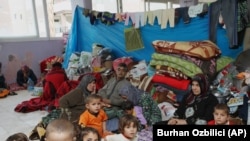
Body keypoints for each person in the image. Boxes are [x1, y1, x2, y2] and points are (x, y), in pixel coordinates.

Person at [98, 63, 131, 131]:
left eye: (123, 70)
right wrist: (104, 99)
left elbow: (124, 101)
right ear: (116, 70)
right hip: (103, 103)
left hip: (114, 108)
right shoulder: (111, 80)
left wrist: (110, 101)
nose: (120, 72)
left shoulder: (127, 84)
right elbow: (102, 90)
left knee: (98, 115)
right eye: (119, 69)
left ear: (126, 73)